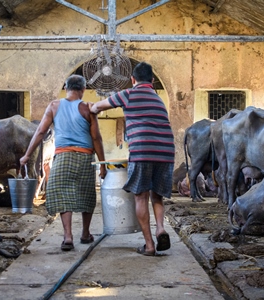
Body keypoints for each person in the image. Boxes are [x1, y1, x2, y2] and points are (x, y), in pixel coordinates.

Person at [89, 62, 175, 256]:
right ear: (152, 81)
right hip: (166, 151)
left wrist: (92, 109)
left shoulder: (128, 94)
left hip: (143, 151)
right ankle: (160, 228)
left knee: (140, 196)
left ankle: (149, 245)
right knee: (157, 195)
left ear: (132, 80)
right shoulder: (158, 99)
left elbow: (99, 106)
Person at [20, 74, 107, 251]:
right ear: (83, 90)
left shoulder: (54, 106)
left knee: (62, 193)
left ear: (66, 88)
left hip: (62, 156)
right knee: (86, 194)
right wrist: (103, 164)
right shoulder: (87, 108)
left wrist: (27, 155)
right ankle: (85, 233)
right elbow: (96, 138)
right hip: (85, 157)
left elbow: (40, 132)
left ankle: (68, 236)